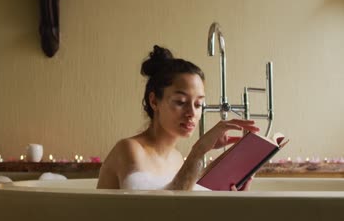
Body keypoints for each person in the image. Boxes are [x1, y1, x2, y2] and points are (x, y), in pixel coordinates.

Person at [97, 45, 259, 191]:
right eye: (181, 102)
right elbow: (158, 210)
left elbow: (181, 207)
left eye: (198, 104)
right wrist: (199, 150)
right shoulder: (129, 149)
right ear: (154, 101)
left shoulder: (176, 158)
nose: (191, 113)